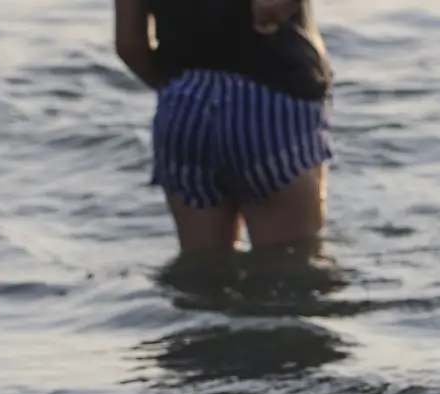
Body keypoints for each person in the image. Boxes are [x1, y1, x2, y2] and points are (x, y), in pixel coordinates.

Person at [115, 0, 333, 253]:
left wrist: (179, 92)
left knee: (202, 269)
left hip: (184, 108)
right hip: (270, 103)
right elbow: (271, 6)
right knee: (290, 264)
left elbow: (129, 45)